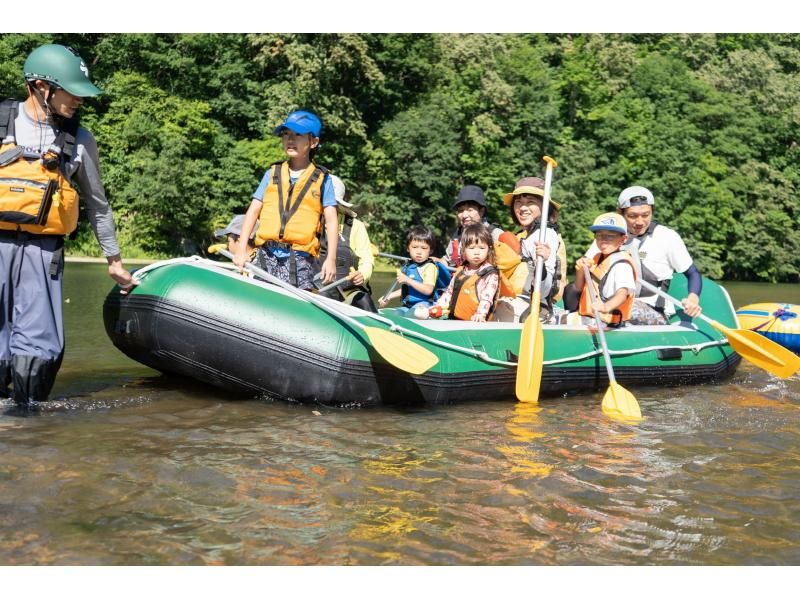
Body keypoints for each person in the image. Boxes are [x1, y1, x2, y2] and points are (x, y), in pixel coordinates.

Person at [0, 44, 138, 408]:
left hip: (44, 252)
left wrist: (115, 261)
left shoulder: (80, 139)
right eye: (72, 91)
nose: (79, 99)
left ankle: (28, 419)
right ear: (41, 86)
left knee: (39, 347)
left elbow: (98, 204)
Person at [564, 185, 703, 325]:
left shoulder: (667, 237)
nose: (640, 222)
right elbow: (585, 273)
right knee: (570, 290)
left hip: (651, 308)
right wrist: (582, 266)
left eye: (646, 215)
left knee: (625, 308)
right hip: (609, 302)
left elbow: (693, 274)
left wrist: (693, 298)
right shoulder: (608, 237)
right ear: (621, 214)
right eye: (632, 216)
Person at [233, 109, 338, 291]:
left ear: (313, 142)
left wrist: (331, 259)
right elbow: (253, 211)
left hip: (300, 258)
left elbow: (331, 221)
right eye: (286, 134)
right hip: (266, 253)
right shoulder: (272, 173)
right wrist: (241, 248)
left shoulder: (322, 179)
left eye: (298, 135)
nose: (290, 139)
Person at [498, 176, 567, 323]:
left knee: (498, 309)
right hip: (516, 300)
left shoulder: (545, 234)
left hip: (535, 308)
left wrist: (544, 263)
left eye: (530, 202)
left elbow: (545, 287)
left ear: (544, 207)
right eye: (518, 203)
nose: (522, 208)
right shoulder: (523, 236)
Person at [314, 175, 377, 312]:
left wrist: (362, 275)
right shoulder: (308, 222)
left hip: (346, 292)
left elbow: (367, 259)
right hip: (314, 291)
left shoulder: (356, 226)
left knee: (364, 300)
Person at [574, 213, 637, 328]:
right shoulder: (597, 258)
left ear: (623, 239)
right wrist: (581, 271)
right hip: (590, 316)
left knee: (557, 320)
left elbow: (622, 294)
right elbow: (577, 288)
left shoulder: (622, 265)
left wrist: (605, 307)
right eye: (599, 235)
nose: (603, 240)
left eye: (610, 236)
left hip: (607, 321)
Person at [430, 223, 500, 322]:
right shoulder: (462, 270)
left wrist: (480, 314)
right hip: (455, 318)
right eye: (471, 248)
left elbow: (487, 298)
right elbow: (449, 292)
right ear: (463, 250)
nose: (477, 252)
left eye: (482, 248)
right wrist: (438, 306)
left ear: (488, 249)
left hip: (476, 320)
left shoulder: (490, 273)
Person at [378, 225, 440, 316]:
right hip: (408, 305)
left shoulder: (429, 267)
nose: (419, 252)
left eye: (424, 248)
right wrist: (389, 296)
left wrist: (407, 280)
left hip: (424, 305)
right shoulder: (409, 266)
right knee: (394, 315)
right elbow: (407, 289)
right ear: (408, 248)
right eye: (414, 247)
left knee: (412, 314)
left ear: (430, 251)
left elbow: (428, 290)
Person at [443, 184, 503, 268]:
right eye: (460, 210)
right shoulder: (458, 234)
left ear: (481, 211)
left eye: (469, 210)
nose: (464, 215)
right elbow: (447, 260)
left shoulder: (495, 234)